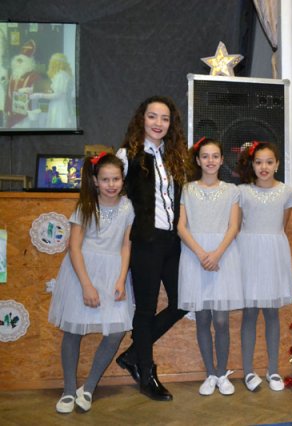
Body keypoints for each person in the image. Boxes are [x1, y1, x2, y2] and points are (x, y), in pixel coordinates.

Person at [114, 96, 189, 401]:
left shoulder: (174, 156)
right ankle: (146, 373)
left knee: (182, 301)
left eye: (165, 118)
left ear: (172, 124)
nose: (158, 123)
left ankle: (134, 354)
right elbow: (109, 190)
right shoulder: (127, 155)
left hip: (172, 241)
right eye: (152, 116)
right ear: (141, 119)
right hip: (145, 241)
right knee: (145, 309)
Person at [48, 152, 134, 413]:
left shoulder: (128, 207)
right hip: (82, 272)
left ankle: (88, 387)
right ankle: (68, 389)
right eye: (105, 179)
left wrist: (121, 278)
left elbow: (126, 245)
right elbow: (74, 247)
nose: (111, 184)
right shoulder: (85, 206)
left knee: (116, 331)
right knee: (73, 330)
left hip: (113, 273)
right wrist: (86, 285)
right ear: (95, 181)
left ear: (122, 180)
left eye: (116, 179)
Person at [177, 137, 243, 396]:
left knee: (222, 319)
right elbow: (181, 226)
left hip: (223, 257)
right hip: (195, 257)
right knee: (202, 318)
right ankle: (209, 373)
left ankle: (222, 373)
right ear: (198, 160)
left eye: (215, 156)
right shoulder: (187, 189)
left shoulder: (231, 190)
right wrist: (201, 253)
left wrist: (216, 254)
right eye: (205, 156)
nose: (210, 160)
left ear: (222, 159)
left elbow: (233, 226)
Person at [235, 141, 292, 392]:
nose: (264, 167)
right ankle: (249, 372)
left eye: (269, 162)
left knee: (272, 313)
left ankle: (273, 370)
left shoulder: (285, 191)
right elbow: (237, 225)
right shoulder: (242, 192)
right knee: (250, 313)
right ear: (252, 164)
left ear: (277, 164)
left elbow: (282, 224)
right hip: (248, 253)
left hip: (273, 254)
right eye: (259, 162)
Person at [30, 53, 75, 128]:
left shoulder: (61, 76)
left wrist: (40, 95)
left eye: (52, 61)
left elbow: (57, 95)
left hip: (58, 107)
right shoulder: (62, 75)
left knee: (57, 125)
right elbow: (58, 92)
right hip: (58, 105)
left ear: (56, 63)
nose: (50, 63)